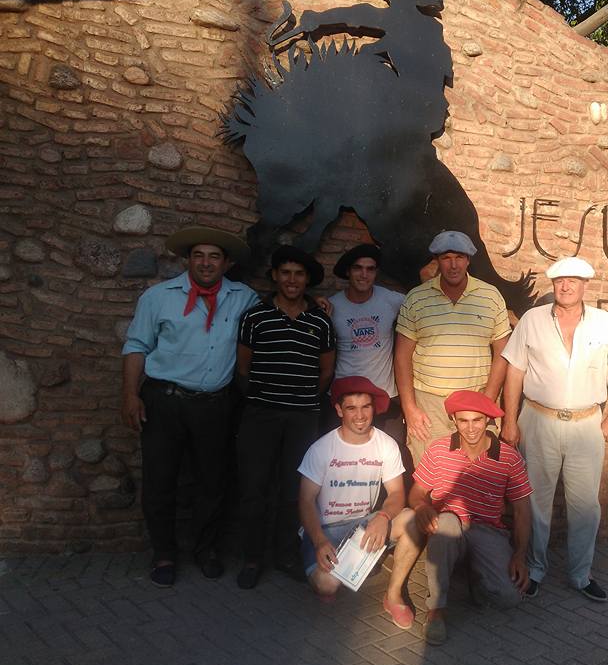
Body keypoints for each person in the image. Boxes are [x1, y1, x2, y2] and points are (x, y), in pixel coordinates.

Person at [121, 226, 259, 588]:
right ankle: (164, 553)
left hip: (214, 405)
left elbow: (275, 315)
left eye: (214, 256)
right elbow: (136, 346)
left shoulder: (244, 298)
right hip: (164, 402)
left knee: (212, 481)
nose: (206, 263)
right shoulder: (158, 297)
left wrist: (315, 305)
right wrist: (130, 395)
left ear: (226, 263)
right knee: (160, 480)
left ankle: (205, 549)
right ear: (188, 259)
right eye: (199, 255)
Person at [501, 256, 608, 603]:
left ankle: (580, 574)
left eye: (573, 281)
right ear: (553, 284)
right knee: (536, 500)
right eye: (560, 281)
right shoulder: (532, 320)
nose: (566, 286)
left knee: (585, 505)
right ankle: (535, 569)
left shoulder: (604, 323)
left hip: (586, 423)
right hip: (538, 419)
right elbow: (514, 371)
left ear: (584, 285)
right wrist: (509, 420)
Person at [387, 390, 533, 645]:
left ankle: (473, 575)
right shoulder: (438, 449)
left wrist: (520, 554)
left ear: (487, 420)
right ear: (453, 419)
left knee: (509, 598)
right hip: (449, 525)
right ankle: (436, 610)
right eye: (463, 420)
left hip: (488, 529)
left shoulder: (509, 457)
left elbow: (522, 510)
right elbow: (418, 492)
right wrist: (421, 507)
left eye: (477, 420)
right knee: (445, 523)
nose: (471, 428)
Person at [234, 245, 335, 589]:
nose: (292, 280)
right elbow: (243, 368)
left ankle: (287, 554)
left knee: (295, 490)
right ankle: (252, 558)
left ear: (307, 280)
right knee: (254, 488)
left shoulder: (320, 321)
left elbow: (326, 371)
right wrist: (264, 398)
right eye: (286, 273)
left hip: (303, 417)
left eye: (299, 274)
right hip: (260, 415)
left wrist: (301, 399)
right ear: (275, 276)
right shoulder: (254, 317)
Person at [394, 231, 511, 464]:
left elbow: (502, 352)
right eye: (446, 258)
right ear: (437, 261)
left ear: (468, 260)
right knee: (429, 473)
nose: (453, 265)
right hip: (430, 405)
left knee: (477, 471)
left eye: (459, 257)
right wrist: (410, 408)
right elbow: (401, 357)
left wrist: (487, 400)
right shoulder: (416, 298)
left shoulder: (490, 296)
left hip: (476, 399)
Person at [297, 376, 409, 611]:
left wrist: (383, 517)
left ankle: (393, 594)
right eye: (351, 408)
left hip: (363, 525)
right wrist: (319, 541)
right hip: (325, 529)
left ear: (373, 408)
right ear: (339, 410)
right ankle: (357, 562)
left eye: (365, 407)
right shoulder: (321, 449)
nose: (360, 415)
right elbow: (305, 500)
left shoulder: (386, 444)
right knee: (327, 585)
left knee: (412, 518)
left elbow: (397, 493)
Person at [328, 244, 406, 447]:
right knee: (344, 457)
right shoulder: (332, 305)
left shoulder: (390, 300)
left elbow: (420, 306)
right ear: (348, 271)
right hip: (346, 399)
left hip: (385, 395)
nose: (364, 275)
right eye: (358, 268)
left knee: (392, 454)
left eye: (370, 269)